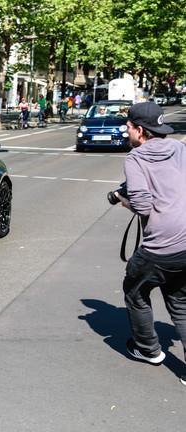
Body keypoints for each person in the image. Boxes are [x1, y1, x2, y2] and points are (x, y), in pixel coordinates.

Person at [114, 102, 186, 386]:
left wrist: (122, 199)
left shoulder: (136, 159)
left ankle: (148, 349)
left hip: (161, 247)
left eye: (129, 126)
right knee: (180, 301)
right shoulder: (180, 149)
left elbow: (142, 206)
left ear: (140, 131)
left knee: (135, 290)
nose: (127, 130)